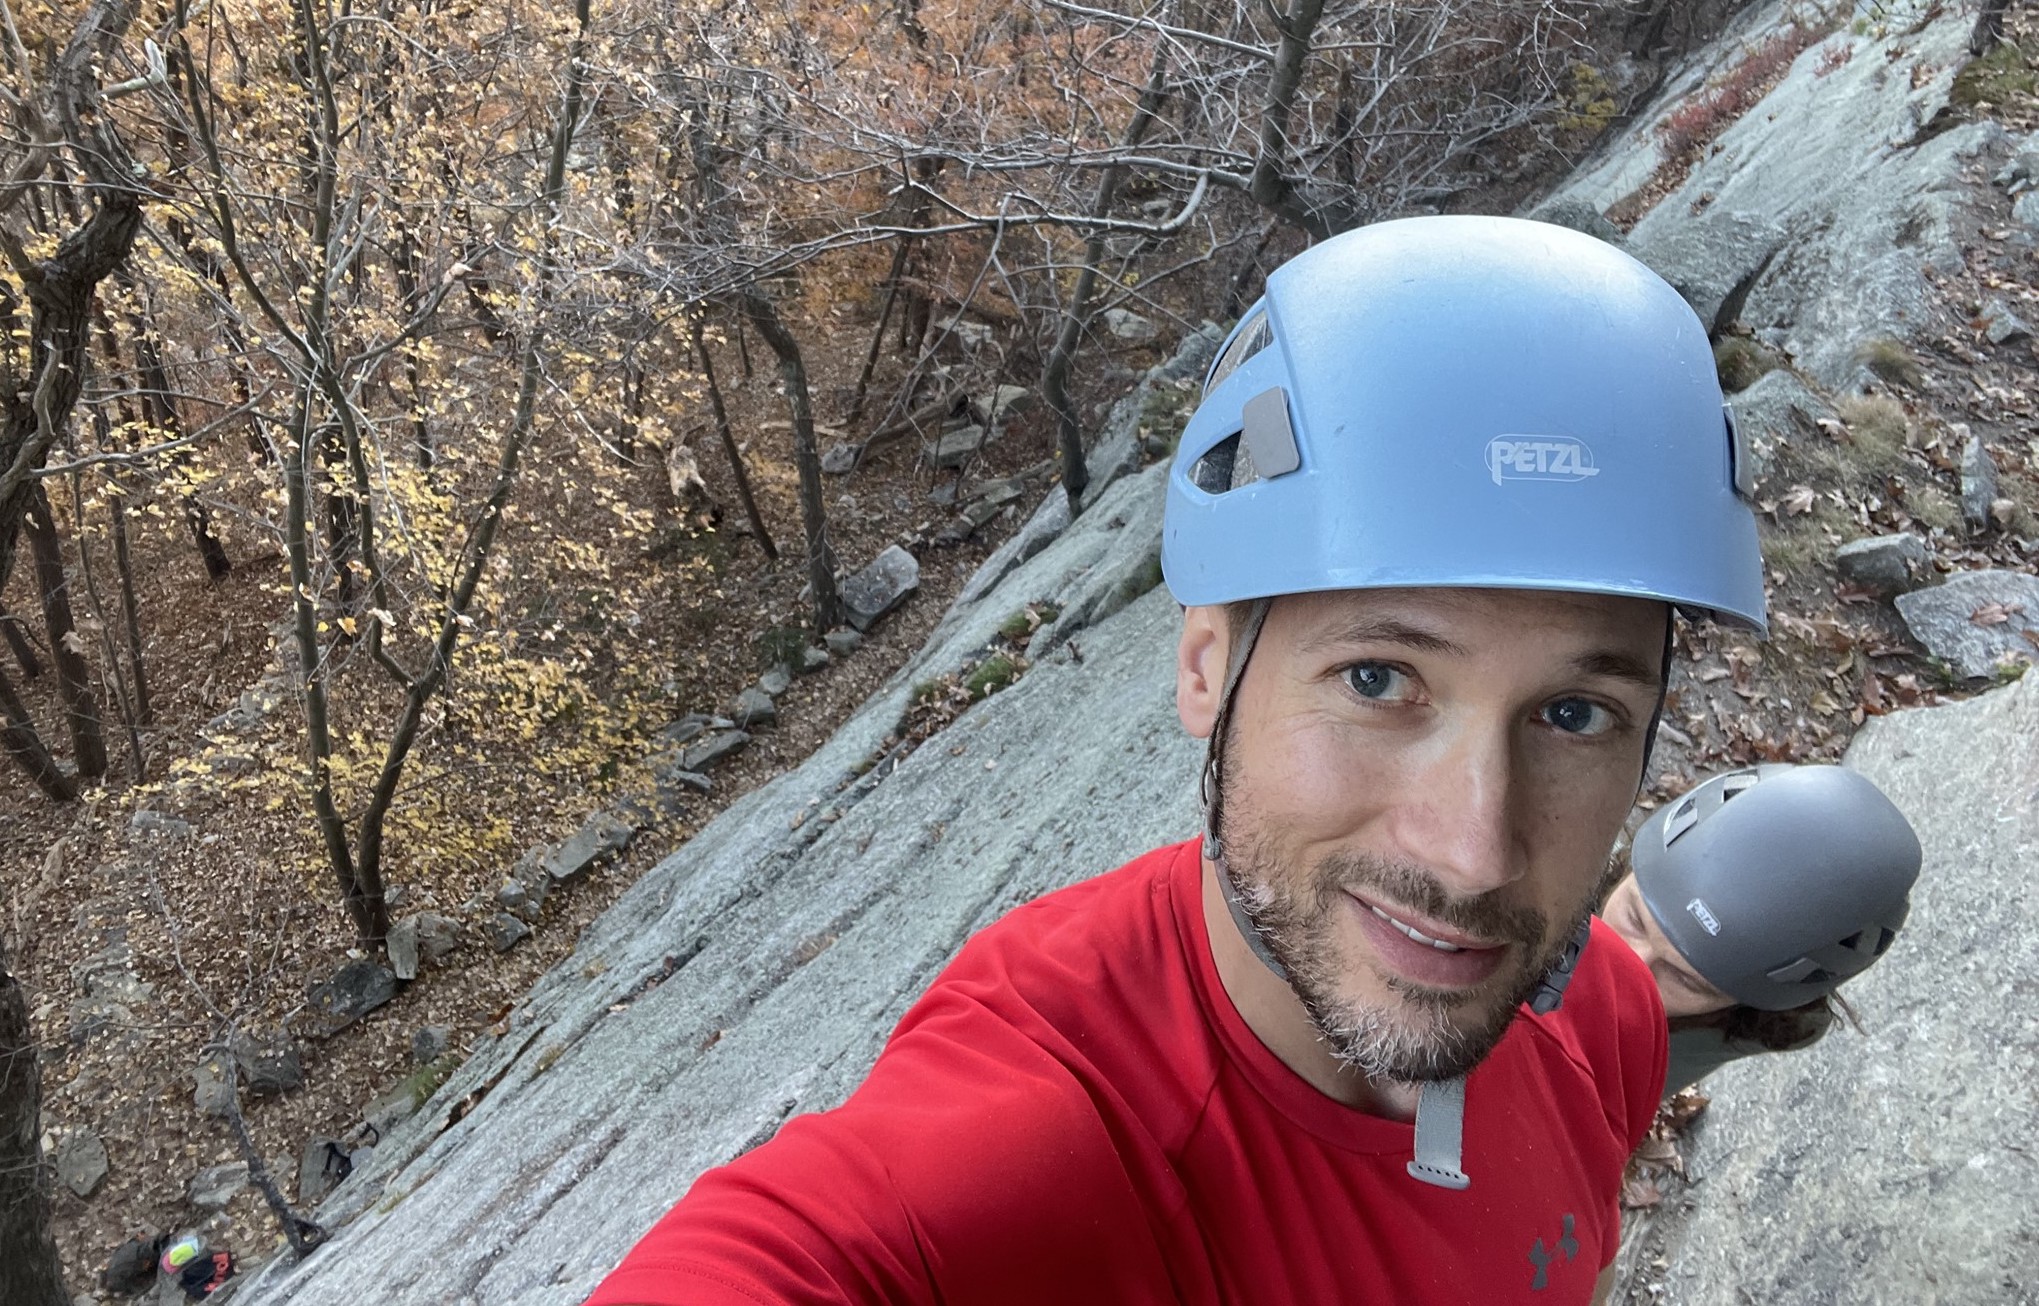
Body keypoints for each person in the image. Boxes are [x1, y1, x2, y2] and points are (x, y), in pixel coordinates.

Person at [585, 215, 1767, 1306]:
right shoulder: (1041, 1135)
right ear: (1205, 664)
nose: (1472, 851)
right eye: (1376, 680)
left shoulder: (1597, 1018)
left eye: (1572, 714)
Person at [1601, 763, 1921, 1096]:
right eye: (1634, 919)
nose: (1626, 967)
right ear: (1629, 871)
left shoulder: (1756, 1026)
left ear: (1744, 1005)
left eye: (1684, 979)